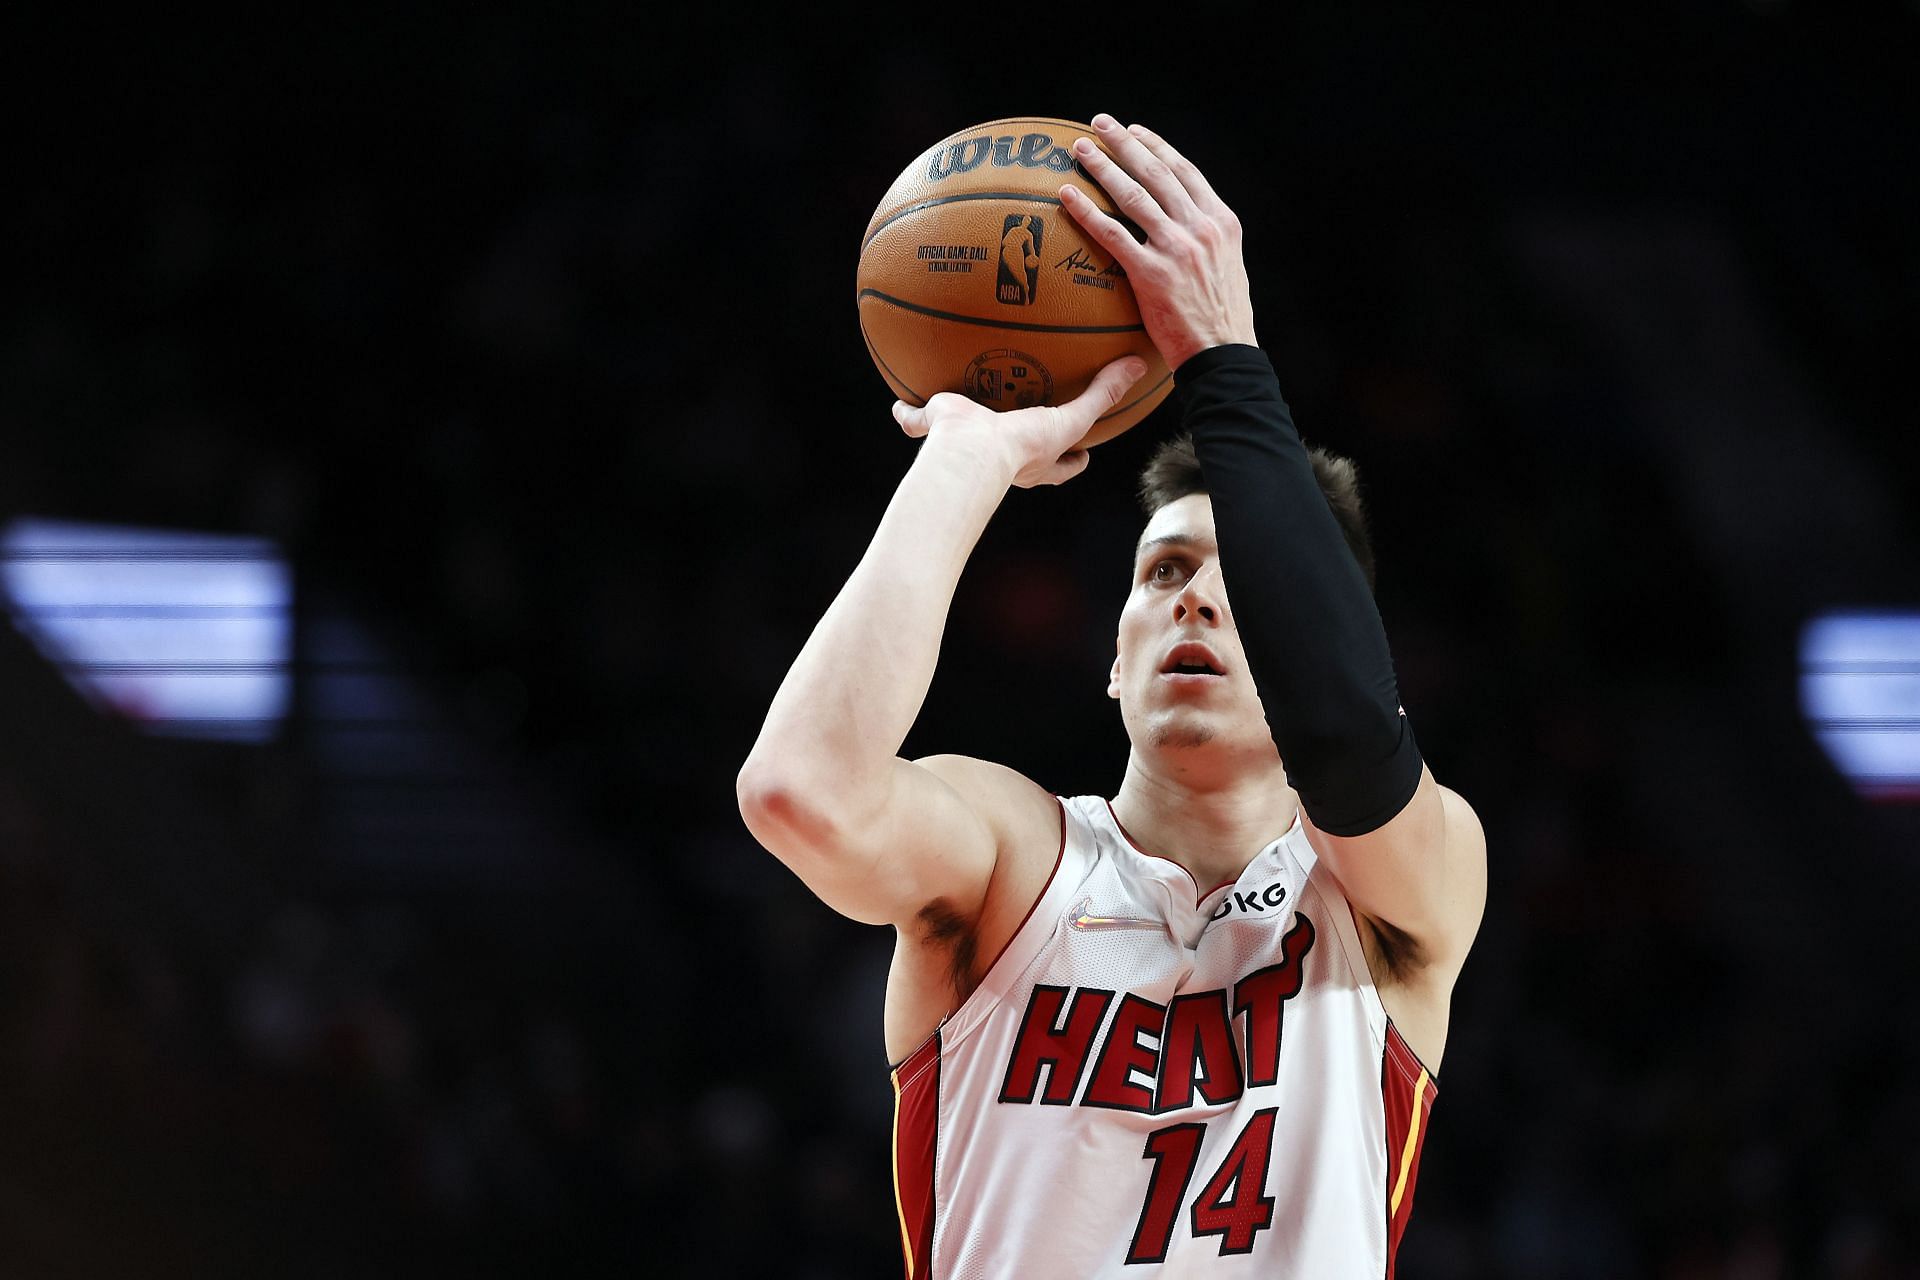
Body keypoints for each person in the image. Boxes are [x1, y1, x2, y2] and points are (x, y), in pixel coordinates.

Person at [737, 113, 1486, 1277]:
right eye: (1166, 571)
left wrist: (1226, 355)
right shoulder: (1009, 858)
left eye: (1248, 585)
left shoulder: (1399, 895)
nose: (1197, 600)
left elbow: (1343, 731)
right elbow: (800, 791)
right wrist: (969, 454)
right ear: (1113, 652)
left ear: (1317, 640)